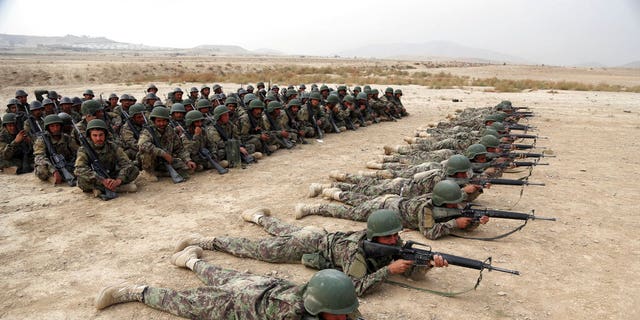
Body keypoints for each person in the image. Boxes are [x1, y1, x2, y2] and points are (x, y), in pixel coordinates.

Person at [175, 209, 447, 296]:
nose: (394, 239)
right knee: (259, 250)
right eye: (388, 236)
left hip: (320, 235)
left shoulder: (387, 243)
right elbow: (354, 288)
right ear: (375, 235)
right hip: (309, 244)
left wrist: (429, 264)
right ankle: (207, 240)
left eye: (395, 234)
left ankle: (258, 217)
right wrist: (388, 271)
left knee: (283, 229)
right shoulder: (355, 252)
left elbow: (410, 268)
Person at [95, 249, 362, 320]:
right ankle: (134, 291)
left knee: (221, 275)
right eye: (336, 316)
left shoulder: (332, 299)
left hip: (266, 285)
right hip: (238, 307)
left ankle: (191, 261)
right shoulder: (289, 314)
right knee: (187, 303)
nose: (343, 318)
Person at [296, 180, 490, 240]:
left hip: (395, 201)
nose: (456, 205)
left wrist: (473, 223)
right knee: (351, 211)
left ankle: (331, 191)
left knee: (358, 199)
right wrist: (455, 224)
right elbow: (430, 232)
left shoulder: (447, 202)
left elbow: (456, 215)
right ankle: (314, 207)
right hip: (386, 207)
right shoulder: (427, 207)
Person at [74, 119, 139, 198]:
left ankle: (106, 189)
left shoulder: (113, 146)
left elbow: (127, 164)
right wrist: (102, 180)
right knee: (81, 179)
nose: (98, 138)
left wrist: (119, 180)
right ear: (90, 136)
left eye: (101, 135)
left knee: (134, 170)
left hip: (112, 175)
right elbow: (79, 169)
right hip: (96, 178)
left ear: (105, 135)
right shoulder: (84, 150)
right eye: (95, 135)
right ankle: (115, 188)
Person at [138, 106, 196, 181]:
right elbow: (142, 145)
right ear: (154, 121)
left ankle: (160, 173)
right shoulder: (148, 131)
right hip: (152, 161)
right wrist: (163, 154)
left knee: (187, 169)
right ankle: (148, 172)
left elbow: (179, 149)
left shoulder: (170, 130)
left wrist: (188, 160)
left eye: (164, 121)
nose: (162, 123)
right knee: (146, 152)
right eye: (159, 121)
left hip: (166, 160)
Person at [33, 115, 78, 184]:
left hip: (65, 163)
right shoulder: (41, 140)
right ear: (48, 128)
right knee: (41, 170)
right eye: (52, 126)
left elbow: (77, 151)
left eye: (57, 125)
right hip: (49, 165)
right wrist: (53, 170)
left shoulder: (66, 138)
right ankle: (52, 178)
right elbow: (39, 157)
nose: (56, 128)